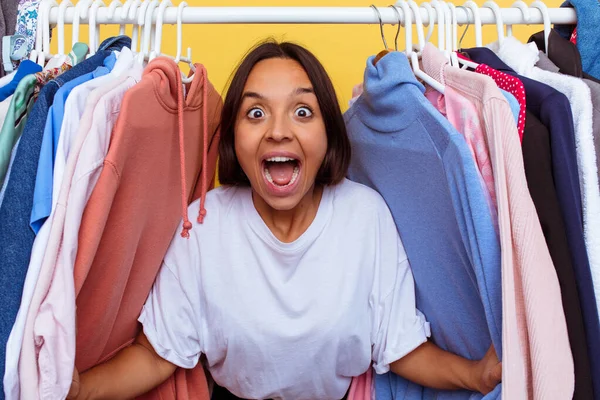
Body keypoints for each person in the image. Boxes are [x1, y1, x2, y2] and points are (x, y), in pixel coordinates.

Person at [67, 40, 501, 400]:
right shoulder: (202, 224)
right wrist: (77, 390)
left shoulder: (366, 216)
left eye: (302, 112)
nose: (278, 130)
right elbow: (157, 354)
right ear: (234, 138)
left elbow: (400, 346)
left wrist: (476, 375)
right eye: (256, 113)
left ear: (329, 131)